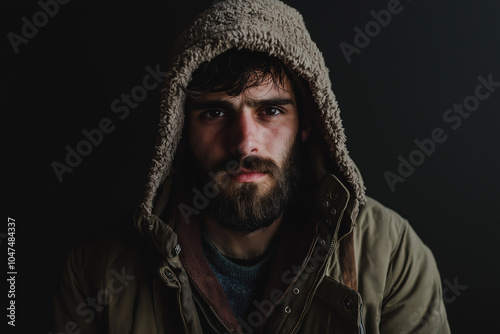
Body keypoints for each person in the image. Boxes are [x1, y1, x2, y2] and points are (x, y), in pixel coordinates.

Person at [51, 0, 450, 333]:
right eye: (215, 113)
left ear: (308, 123)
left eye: (271, 110)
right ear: (178, 131)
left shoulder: (391, 254)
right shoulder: (97, 271)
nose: (244, 142)